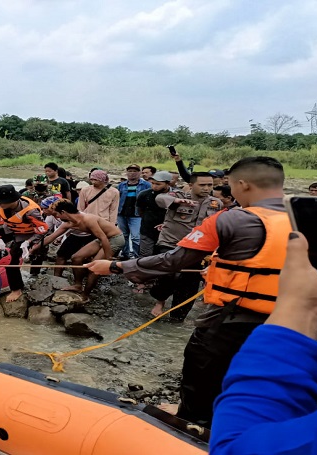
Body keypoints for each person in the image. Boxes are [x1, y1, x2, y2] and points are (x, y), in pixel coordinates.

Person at [86, 156, 291, 428]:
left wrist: (115, 265)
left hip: (232, 317)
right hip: (291, 320)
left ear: (242, 184)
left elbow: (173, 260)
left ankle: (192, 422)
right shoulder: (309, 217)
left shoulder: (231, 219)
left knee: (202, 369)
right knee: (260, 374)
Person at [210, 232, 317, 454]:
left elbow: (235, 447)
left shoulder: (231, 221)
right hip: (261, 319)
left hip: (268, 323)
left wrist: (302, 309)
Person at [146, 172, 223, 320]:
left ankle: (178, 316)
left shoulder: (216, 203)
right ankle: (160, 301)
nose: (206, 188)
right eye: (202, 185)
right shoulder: (178, 195)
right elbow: (160, 199)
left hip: (198, 247)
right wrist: (175, 202)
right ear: (191, 185)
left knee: (190, 282)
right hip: (171, 243)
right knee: (169, 274)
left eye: (210, 185)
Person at [36, 199, 124, 303]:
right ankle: (78, 285)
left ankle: (85, 296)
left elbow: (104, 238)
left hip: (115, 239)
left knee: (94, 268)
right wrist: (34, 249)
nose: (57, 217)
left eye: (57, 214)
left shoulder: (88, 219)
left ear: (63, 212)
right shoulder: (69, 223)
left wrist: (108, 259)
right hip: (101, 239)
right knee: (76, 258)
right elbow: (51, 237)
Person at [0, 185, 48, 302]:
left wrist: (29, 242)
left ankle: (35, 275)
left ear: (12, 200)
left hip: (32, 233)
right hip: (15, 232)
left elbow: (42, 230)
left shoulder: (31, 211)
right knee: (11, 260)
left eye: (1, 203)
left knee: (37, 255)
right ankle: (16, 288)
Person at [116, 164, 152, 259]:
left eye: (135, 171)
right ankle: (125, 254)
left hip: (137, 215)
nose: (132, 173)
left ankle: (137, 256)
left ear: (139, 173)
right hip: (122, 214)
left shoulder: (146, 185)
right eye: (130, 171)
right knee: (123, 236)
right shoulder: (121, 185)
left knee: (136, 237)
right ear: (127, 173)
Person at [135, 171, 172, 258]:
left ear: (168, 184)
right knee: (145, 255)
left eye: (158, 184)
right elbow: (140, 211)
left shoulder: (176, 195)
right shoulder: (144, 194)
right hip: (147, 229)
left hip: (167, 231)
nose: (154, 186)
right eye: (153, 183)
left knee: (164, 256)